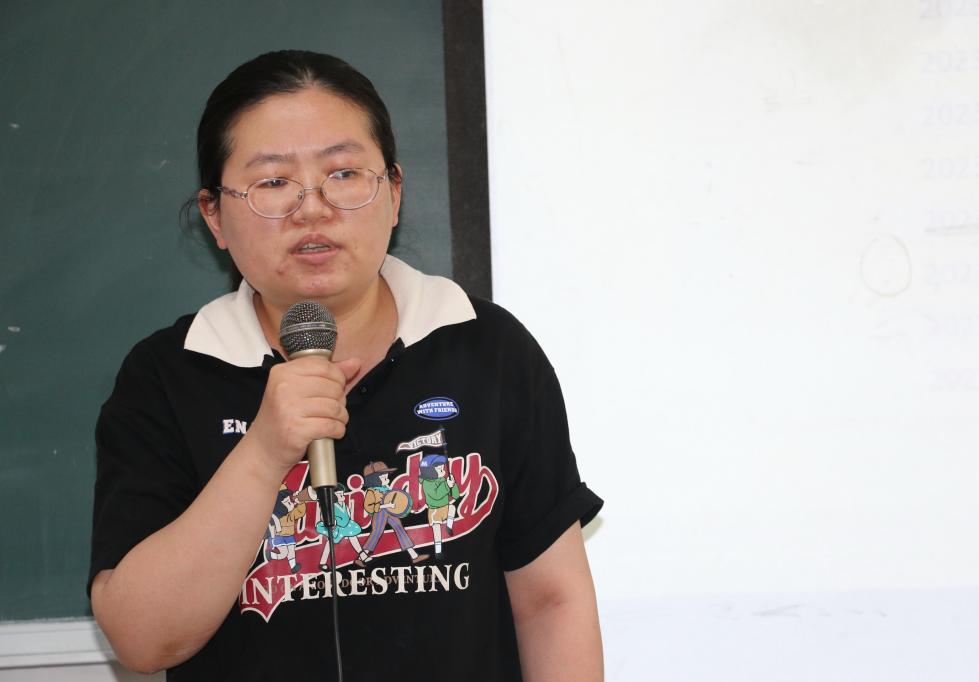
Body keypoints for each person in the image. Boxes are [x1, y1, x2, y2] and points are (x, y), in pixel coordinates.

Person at [89, 50, 603, 681]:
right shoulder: (169, 376)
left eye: (343, 173)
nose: (312, 209)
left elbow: (552, 603)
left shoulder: (485, 348)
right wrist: (264, 451)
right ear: (214, 216)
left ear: (394, 192)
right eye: (273, 182)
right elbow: (143, 641)